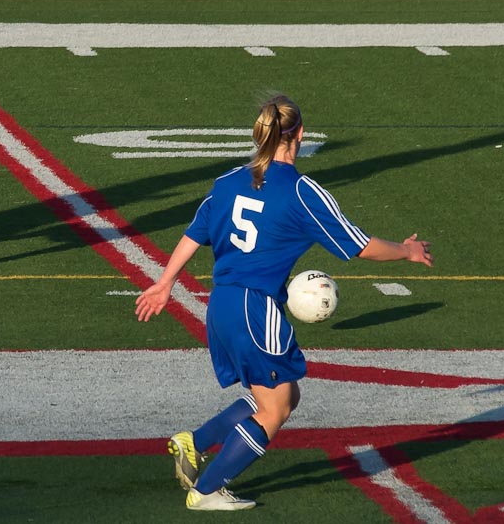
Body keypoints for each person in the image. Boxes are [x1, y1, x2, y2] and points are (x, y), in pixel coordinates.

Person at [135, 95, 433, 511]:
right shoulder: (301, 191)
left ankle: (196, 441)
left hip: (220, 304)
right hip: (255, 308)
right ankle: (206, 491)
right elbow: (360, 246)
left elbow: (193, 233)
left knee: (284, 396)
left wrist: (165, 283)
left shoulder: (227, 181)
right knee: (274, 411)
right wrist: (406, 250)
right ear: (300, 135)